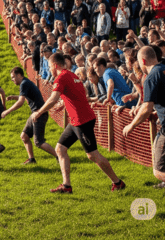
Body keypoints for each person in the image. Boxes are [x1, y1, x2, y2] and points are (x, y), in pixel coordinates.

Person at [30, 53, 125, 193]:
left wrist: (39, 112)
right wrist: (64, 103)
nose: (49, 70)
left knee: (92, 155)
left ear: (55, 65)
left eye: (50, 67)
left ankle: (117, 182)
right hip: (76, 121)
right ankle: (66, 186)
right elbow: (79, 94)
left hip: (82, 121)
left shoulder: (61, 77)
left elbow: (53, 98)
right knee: (60, 149)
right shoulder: (73, 75)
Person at [122, 46, 165, 194]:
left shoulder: (152, 75)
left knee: (159, 171)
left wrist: (131, 126)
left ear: (143, 61)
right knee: (163, 156)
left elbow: (146, 107)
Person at [1, 67, 58, 164]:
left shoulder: (24, 83)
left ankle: (60, 157)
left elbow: (21, 102)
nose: (12, 80)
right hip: (35, 114)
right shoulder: (25, 83)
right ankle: (32, 160)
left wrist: (7, 111)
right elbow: (26, 97)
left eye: (13, 77)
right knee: (24, 136)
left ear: (19, 75)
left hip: (39, 114)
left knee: (39, 142)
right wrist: (14, 97)